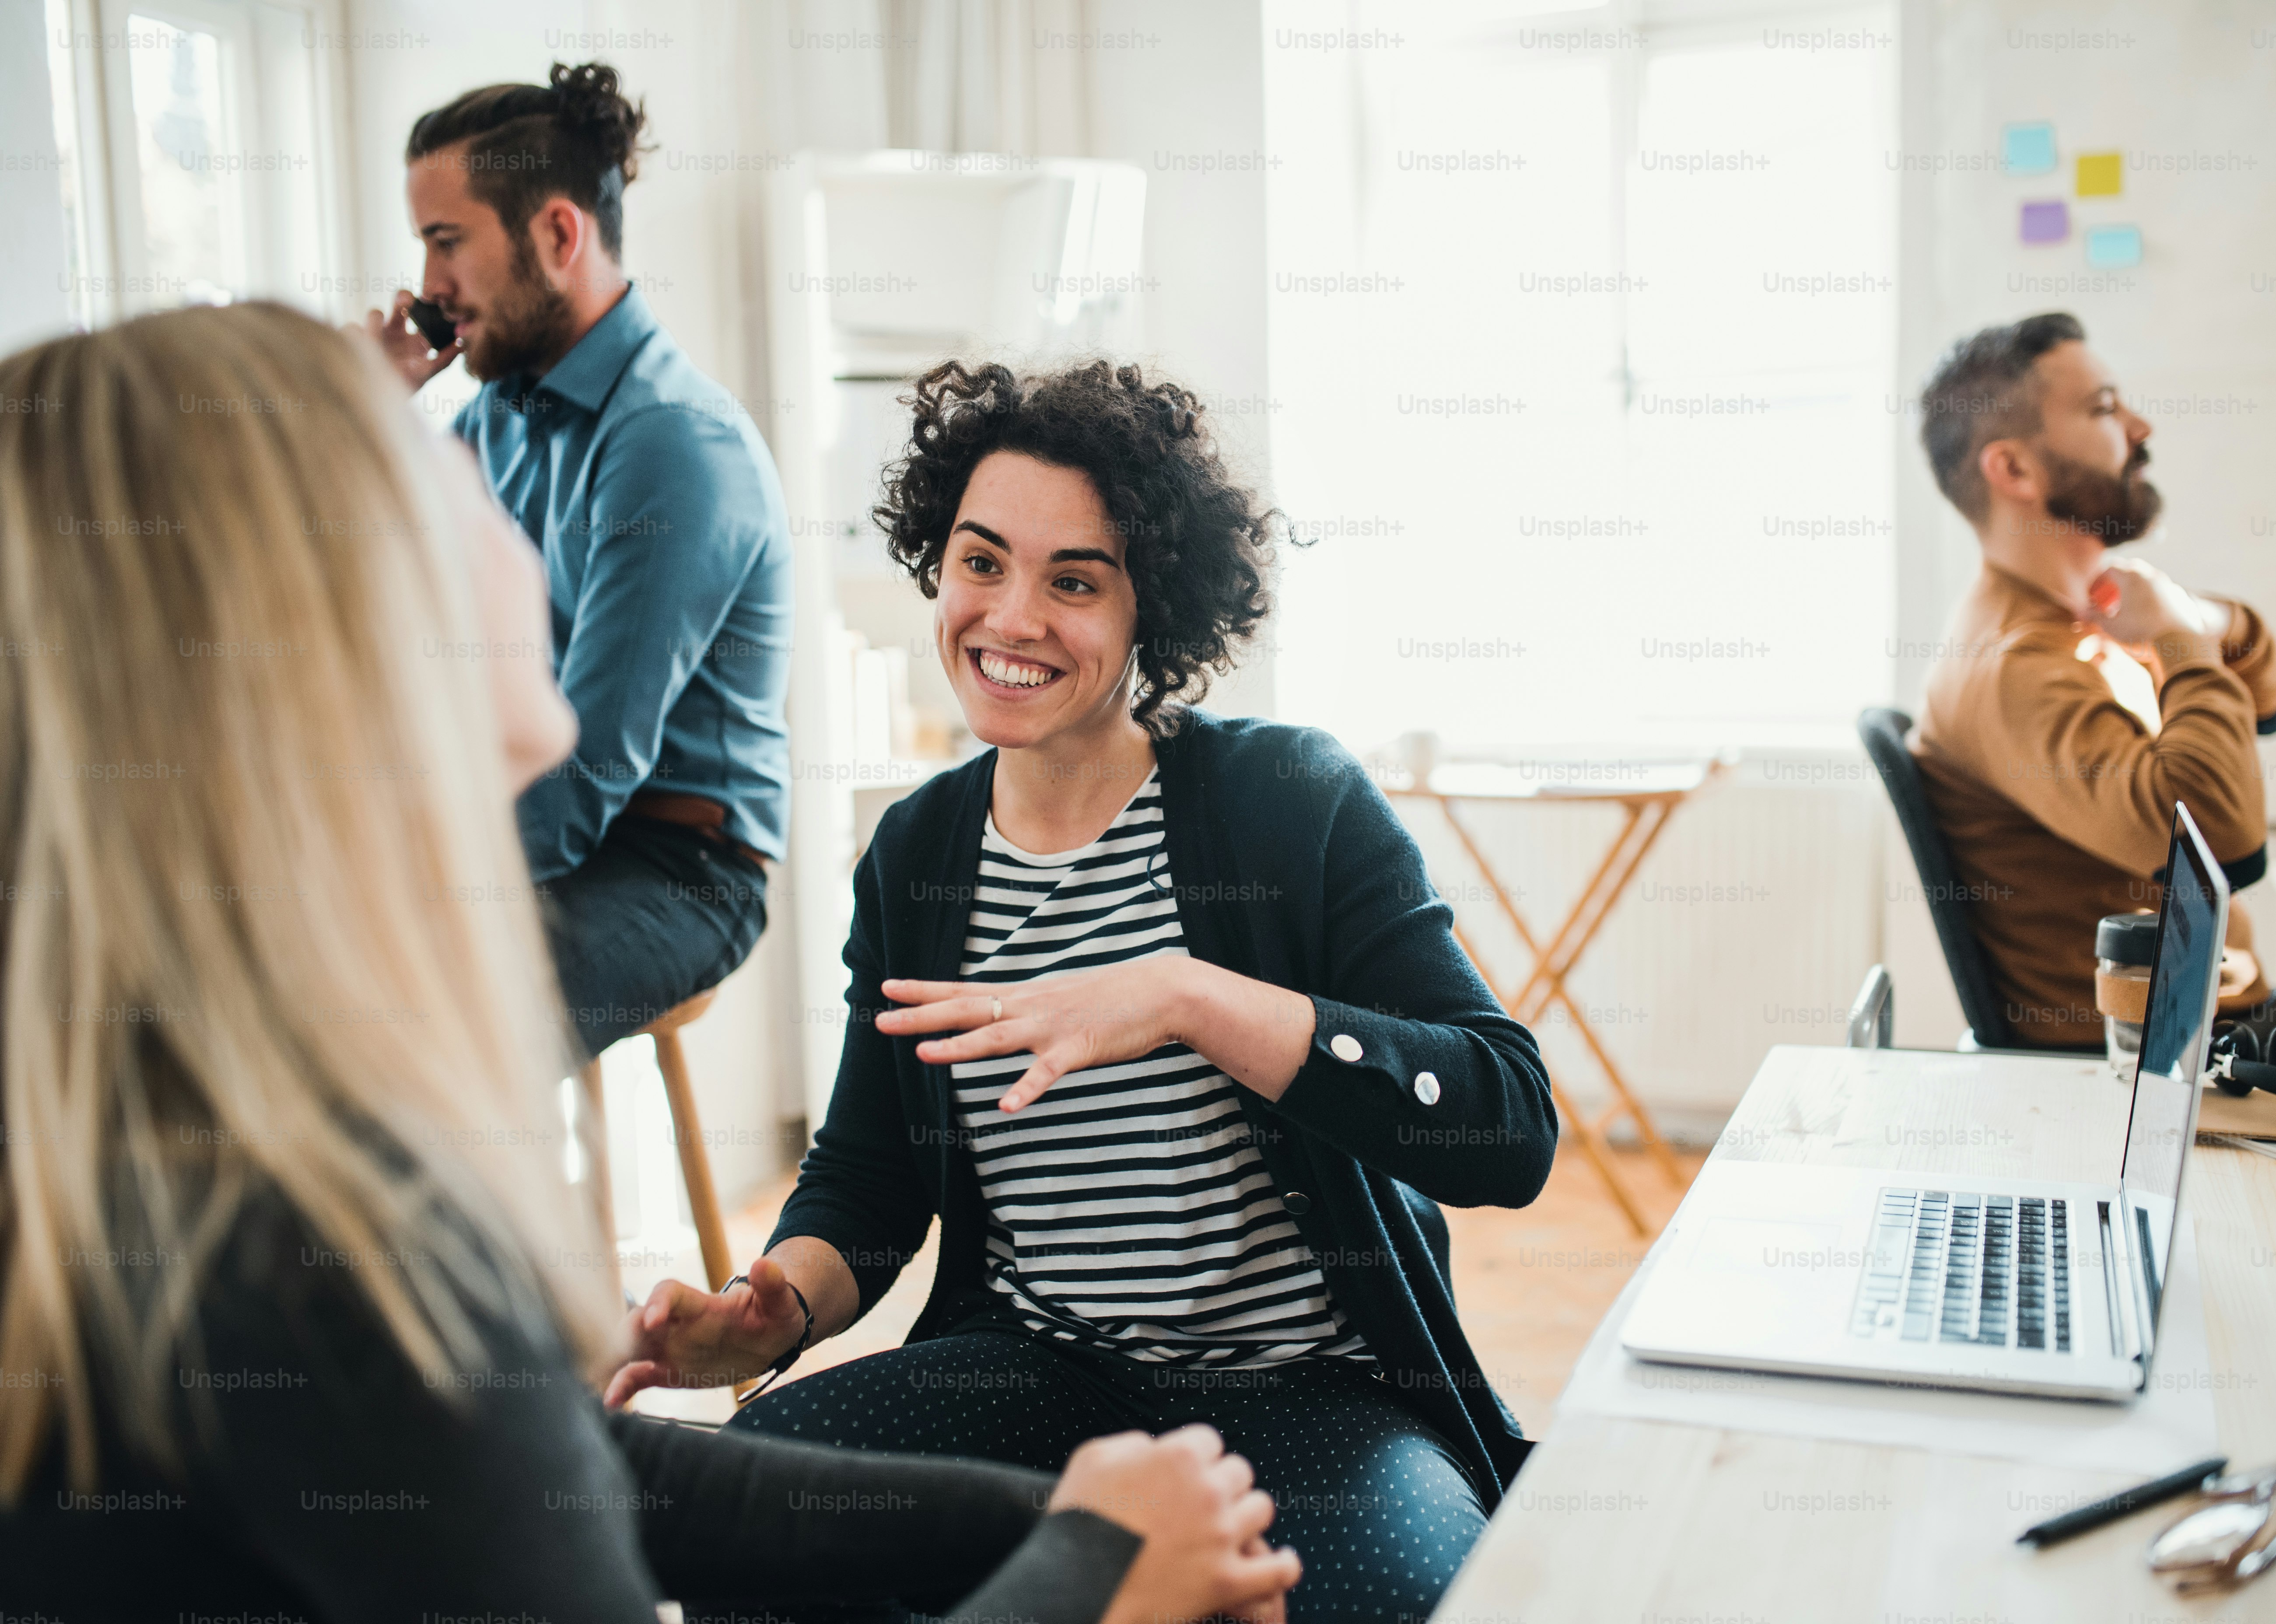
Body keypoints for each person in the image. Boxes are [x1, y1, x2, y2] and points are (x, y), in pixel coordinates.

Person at [0, 304, 1299, 1624]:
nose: (531, 526)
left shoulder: (187, 1150)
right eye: (443, 477)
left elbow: (563, 1483)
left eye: (1076, 577)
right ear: (343, 630)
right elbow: (864, 1178)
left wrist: (1064, 1532)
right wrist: (1096, 1581)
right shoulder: (330, 1244)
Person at [609, 359, 1559, 1622]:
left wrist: (1188, 996)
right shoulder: (918, 855)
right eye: (981, 561)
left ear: (1149, 608)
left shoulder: (1288, 805)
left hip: (1309, 1390)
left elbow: (1507, 1124)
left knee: (1397, 1599)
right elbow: (873, 1173)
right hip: (1028, 1371)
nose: (1011, 618)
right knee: (746, 1536)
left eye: (1075, 581)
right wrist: (770, 1310)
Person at [364, 61, 790, 1057]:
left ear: (558, 235)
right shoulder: (494, 417)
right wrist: (367, 420)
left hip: (676, 862)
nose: (428, 286)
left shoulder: (674, 445)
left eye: (446, 242)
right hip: (544, 822)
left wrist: (412, 892)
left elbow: (589, 762)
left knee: (417, 1041)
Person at [1910, 312, 2276, 1048]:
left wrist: (2200, 620)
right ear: (2015, 470)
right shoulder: (2017, 667)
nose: (2141, 428)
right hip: (2160, 1074)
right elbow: (2220, 839)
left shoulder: (2082, 621)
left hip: (2206, 1034)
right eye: (2104, 409)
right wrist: (2180, 639)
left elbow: (2273, 701)